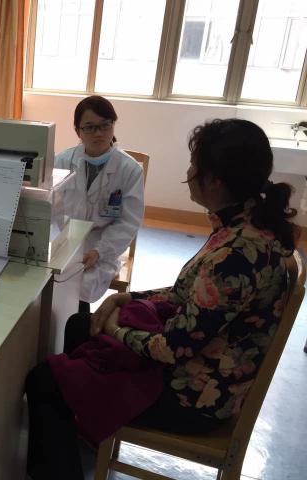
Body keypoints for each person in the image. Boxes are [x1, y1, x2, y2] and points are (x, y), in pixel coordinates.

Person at [26, 118, 298, 480]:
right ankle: (79, 435)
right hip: (203, 361)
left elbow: (171, 349)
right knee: (79, 324)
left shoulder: (237, 254)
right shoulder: (242, 225)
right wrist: (124, 299)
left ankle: (63, 458)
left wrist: (115, 329)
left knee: (44, 379)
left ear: (215, 180)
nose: (188, 172)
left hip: (195, 395)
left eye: (193, 164)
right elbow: (192, 293)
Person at [55, 95, 145, 313]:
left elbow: (128, 222)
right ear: (78, 131)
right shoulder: (63, 161)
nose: (98, 133)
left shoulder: (130, 169)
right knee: (46, 280)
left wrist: (98, 251)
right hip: (66, 239)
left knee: (81, 287)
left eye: (105, 125)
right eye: (90, 127)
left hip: (104, 244)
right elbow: (51, 205)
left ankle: (77, 328)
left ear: (113, 125)